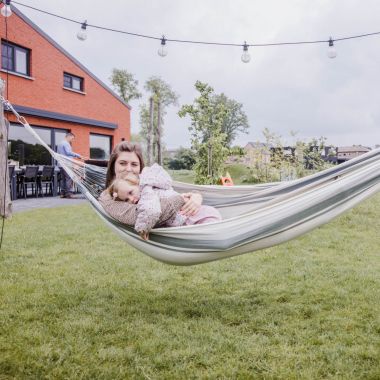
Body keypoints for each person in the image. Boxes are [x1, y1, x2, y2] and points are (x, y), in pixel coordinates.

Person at [98, 142, 205, 237]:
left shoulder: (146, 181)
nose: (129, 169)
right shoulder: (108, 198)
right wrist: (182, 199)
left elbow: (171, 190)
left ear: (140, 167)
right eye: (122, 163)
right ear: (113, 166)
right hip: (184, 226)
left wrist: (196, 196)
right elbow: (139, 216)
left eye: (134, 164)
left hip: (194, 219)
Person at [108, 164, 222, 240]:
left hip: (190, 216)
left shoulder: (147, 191)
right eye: (127, 200)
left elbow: (151, 210)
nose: (132, 199)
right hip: (187, 219)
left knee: (211, 230)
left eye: (130, 192)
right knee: (208, 232)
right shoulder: (150, 188)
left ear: (137, 183)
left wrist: (143, 228)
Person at [57, 132, 81, 199]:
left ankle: (62, 193)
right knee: (69, 179)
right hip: (66, 164)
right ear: (69, 136)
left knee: (63, 179)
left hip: (61, 164)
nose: (72, 140)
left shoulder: (60, 143)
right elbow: (68, 152)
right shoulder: (66, 143)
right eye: (72, 138)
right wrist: (77, 155)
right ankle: (69, 194)